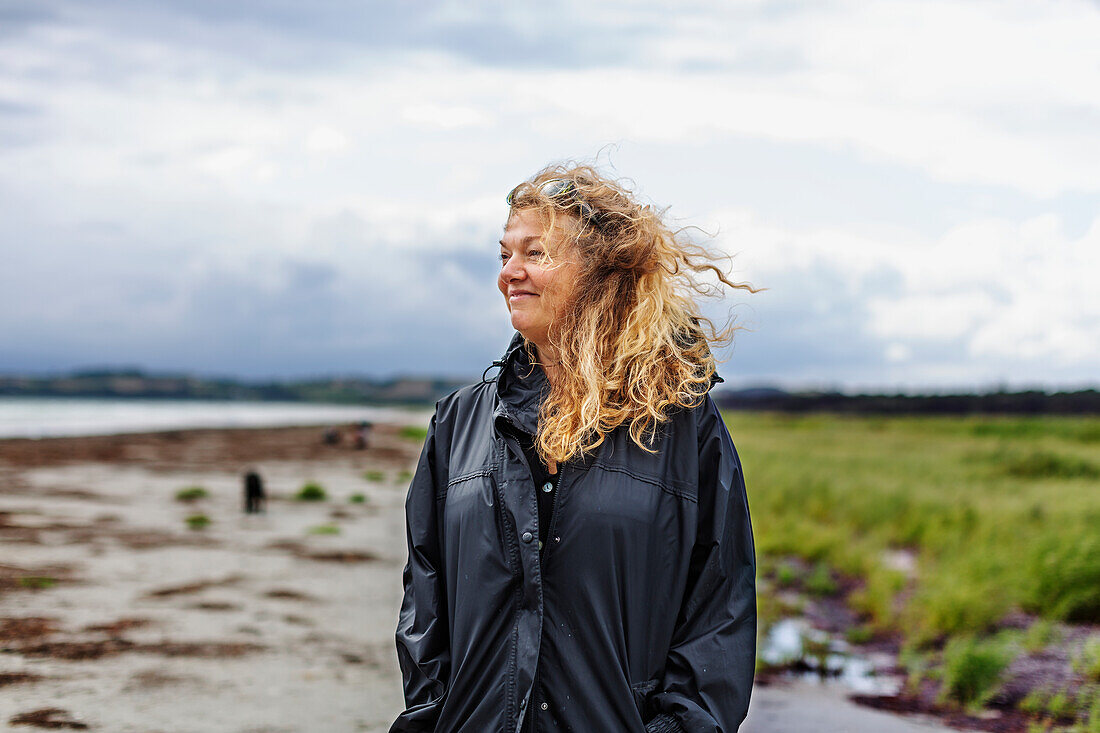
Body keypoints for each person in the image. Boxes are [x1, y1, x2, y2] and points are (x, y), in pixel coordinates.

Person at [391, 164, 760, 732]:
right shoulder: (460, 422)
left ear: (600, 272)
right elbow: (425, 603)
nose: (509, 274)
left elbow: (720, 613)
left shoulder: (683, 426)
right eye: (504, 255)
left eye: (534, 254)